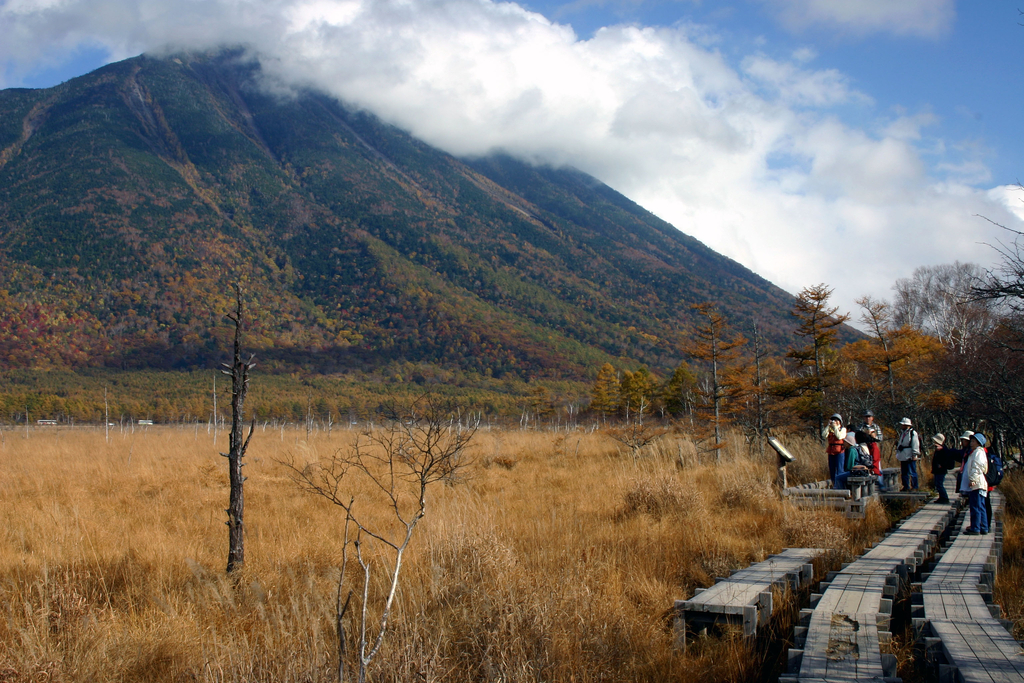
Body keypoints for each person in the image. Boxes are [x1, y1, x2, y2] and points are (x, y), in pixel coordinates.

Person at [960, 433, 989, 534]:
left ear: (978, 443)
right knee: (981, 506)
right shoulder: (976, 452)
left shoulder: (978, 452)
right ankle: (983, 527)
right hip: (979, 483)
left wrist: (973, 480)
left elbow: (976, 467)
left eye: (973, 441)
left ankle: (975, 528)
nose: (971, 443)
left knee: (975, 506)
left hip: (977, 483)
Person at [859, 410, 884, 487]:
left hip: (873, 446)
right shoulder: (861, 427)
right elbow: (857, 437)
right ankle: (867, 485)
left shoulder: (876, 427)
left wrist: (874, 436)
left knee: (877, 465)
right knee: (865, 464)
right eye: (866, 417)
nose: (868, 418)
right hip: (864, 447)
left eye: (869, 417)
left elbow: (880, 438)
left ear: (872, 418)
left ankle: (880, 484)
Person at [895, 417, 920, 491]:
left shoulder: (913, 433)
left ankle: (915, 487)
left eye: (903, 424)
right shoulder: (903, 433)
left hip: (910, 455)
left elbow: (915, 444)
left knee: (912, 472)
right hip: (903, 455)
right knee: (904, 472)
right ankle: (906, 486)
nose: (902, 426)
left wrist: (914, 454)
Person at [822, 413, 847, 487]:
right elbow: (823, 435)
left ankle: (840, 486)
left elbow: (839, 437)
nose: (834, 421)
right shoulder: (830, 429)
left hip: (839, 451)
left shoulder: (843, 429)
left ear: (839, 421)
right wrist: (828, 426)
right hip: (831, 451)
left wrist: (835, 427)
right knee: (832, 470)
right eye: (833, 420)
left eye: (836, 420)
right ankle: (834, 485)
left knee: (840, 470)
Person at [929, 433, 954, 504]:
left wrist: (941, 465)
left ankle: (945, 497)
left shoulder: (944, 450)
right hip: (937, 470)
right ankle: (941, 497)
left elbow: (945, 459)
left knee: (939, 484)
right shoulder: (938, 449)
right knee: (937, 484)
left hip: (941, 470)